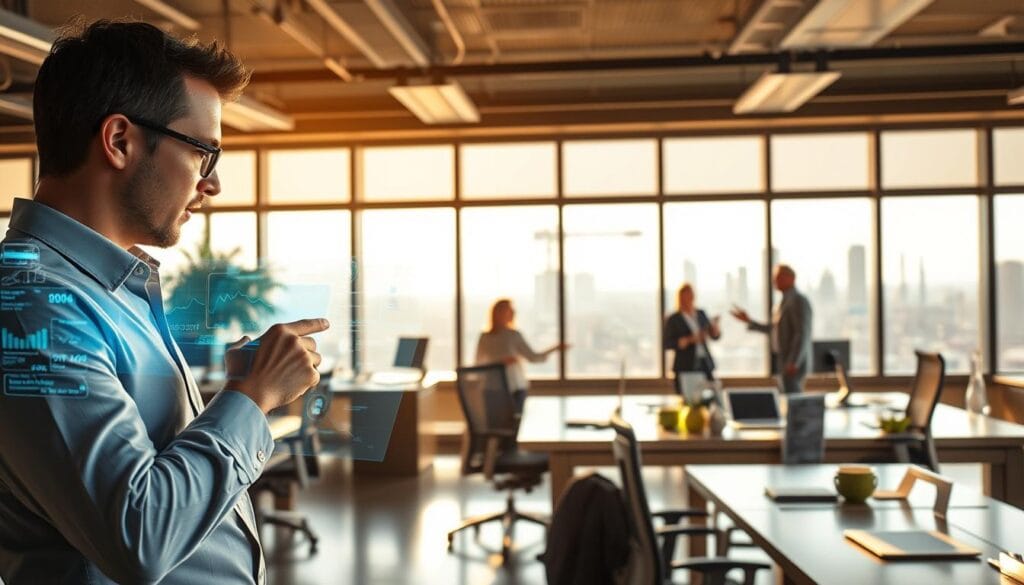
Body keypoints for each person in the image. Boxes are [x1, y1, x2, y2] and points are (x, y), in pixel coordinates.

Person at [0, 21, 328, 585]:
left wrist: (236, 396)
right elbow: (140, 535)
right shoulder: (35, 307)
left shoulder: (104, 290)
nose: (213, 183)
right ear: (120, 141)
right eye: (203, 152)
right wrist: (250, 398)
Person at [730, 264, 813, 394]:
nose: (774, 280)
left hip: (792, 363)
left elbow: (801, 333)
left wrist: (794, 361)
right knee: (786, 396)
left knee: (793, 398)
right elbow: (774, 329)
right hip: (783, 359)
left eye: (778, 277)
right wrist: (749, 321)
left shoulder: (798, 300)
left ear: (791, 278)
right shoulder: (782, 302)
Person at [475, 299, 568, 412]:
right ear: (498, 313)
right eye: (509, 310)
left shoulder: (514, 335)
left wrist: (554, 349)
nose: (513, 313)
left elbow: (534, 357)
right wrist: (500, 363)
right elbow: (478, 365)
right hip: (493, 389)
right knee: (499, 425)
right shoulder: (485, 337)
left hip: (515, 387)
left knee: (515, 423)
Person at [664, 283, 721, 381]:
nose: (689, 298)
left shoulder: (701, 313)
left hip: (704, 362)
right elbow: (667, 343)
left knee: (711, 391)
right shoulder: (674, 319)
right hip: (685, 364)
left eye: (691, 295)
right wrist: (688, 340)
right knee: (689, 394)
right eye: (686, 295)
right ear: (680, 297)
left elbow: (714, 336)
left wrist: (715, 329)